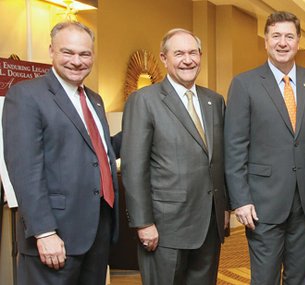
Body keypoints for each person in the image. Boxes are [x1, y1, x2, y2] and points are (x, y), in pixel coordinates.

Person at [3, 21, 118, 285]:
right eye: (68, 52)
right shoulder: (26, 96)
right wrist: (44, 232)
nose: (77, 61)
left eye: (85, 54)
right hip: (55, 235)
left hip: (96, 231)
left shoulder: (94, 99)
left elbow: (99, 152)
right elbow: (24, 170)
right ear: (51, 51)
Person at [224, 10, 305, 284]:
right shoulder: (244, 84)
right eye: (276, 36)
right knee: (265, 277)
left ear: (299, 41)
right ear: (266, 41)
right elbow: (234, 146)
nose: (283, 43)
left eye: (289, 36)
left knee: (302, 277)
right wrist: (241, 199)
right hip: (262, 203)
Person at [121, 28, 228, 285]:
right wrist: (143, 222)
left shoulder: (215, 101)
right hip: (165, 227)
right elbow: (134, 167)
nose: (187, 59)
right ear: (164, 58)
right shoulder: (144, 100)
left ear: (201, 56)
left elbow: (219, 161)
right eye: (179, 53)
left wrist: (225, 207)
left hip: (209, 224)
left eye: (193, 52)